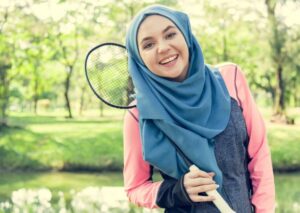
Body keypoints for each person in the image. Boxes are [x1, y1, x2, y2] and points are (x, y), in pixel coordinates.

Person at [123, 5, 275, 213]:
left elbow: (260, 158)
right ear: (138, 57)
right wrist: (176, 190)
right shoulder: (138, 113)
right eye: (148, 45)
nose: (163, 47)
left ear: (185, 34)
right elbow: (135, 188)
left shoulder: (231, 78)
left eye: (170, 34)